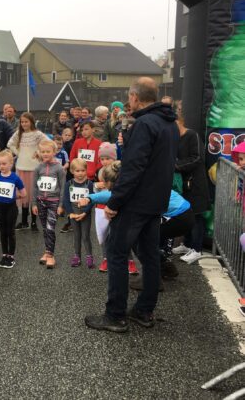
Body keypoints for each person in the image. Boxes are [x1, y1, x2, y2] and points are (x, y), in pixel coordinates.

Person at [85, 77, 179, 333]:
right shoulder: (169, 123)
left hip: (136, 202)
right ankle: (144, 310)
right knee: (149, 256)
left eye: (130, 97)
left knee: (116, 253)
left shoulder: (145, 124)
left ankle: (115, 315)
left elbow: (132, 168)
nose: (129, 101)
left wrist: (115, 202)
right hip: (156, 200)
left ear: (135, 97)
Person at [171, 105, 211, 265]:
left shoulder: (192, 135)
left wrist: (176, 165)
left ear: (179, 122)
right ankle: (187, 244)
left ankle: (197, 249)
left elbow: (197, 158)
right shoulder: (175, 139)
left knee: (197, 215)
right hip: (183, 183)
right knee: (187, 213)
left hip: (196, 182)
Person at [91, 143, 137, 275]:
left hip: (117, 207)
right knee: (104, 235)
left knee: (121, 235)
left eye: (108, 158)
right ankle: (106, 259)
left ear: (114, 158)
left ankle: (130, 261)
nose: (104, 161)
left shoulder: (119, 170)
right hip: (101, 208)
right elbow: (94, 189)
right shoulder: (99, 171)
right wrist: (96, 186)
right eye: (102, 159)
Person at [0, 150, 26, 269]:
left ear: (11, 164)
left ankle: (11, 257)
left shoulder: (15, 178)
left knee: (10, 232)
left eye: (4, 164)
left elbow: (24, 193)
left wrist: (14, 196)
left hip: (11, 208)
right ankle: (4, 255)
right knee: (2, 232)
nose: (1, 166)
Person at [7, 112, 47, 230]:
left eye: (26, 121)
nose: (24, 124)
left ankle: (34, 222)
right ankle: (24, 222)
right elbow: (10, 144)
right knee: (23, 196)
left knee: (34, 195)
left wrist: (39, 153)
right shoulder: (18, 133)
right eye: (22, 122)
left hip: (34, 169)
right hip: (21, 168)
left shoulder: (38, 134)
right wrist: (19, 153)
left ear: (31, 122)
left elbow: (50, 144)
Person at [33, 140, 66, 269]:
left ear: (54, 152)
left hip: (54, 202)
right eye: (43, 152)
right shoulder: (38, 168)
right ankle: (47, 251)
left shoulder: (59, 168)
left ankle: (51, 255)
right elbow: (34, 187)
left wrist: (61, 205)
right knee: (45, 229)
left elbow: (63, 188)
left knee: (50, 228)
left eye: (48, 151)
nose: (45, 154)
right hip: (41, 202)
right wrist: (34, 203)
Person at [60, 158, 95, 268]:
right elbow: (66, 200)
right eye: (77, 171)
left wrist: (85, 212)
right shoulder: (69, 184)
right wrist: (71, 213)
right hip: (74, 214)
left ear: (86, 170)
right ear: (72, 171)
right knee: (76, 235)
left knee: (85, 236)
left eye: (83, 170)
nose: (80, 173)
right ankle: (77, 256)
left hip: (85, 214)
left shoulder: (89, 184)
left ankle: (89, 256)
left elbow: (92, 200)